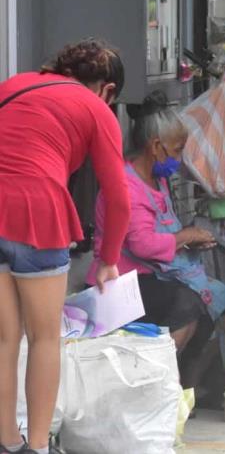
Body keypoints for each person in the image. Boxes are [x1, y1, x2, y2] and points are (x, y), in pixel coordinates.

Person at [0, 39, 131, 454]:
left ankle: (6, 441)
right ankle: (38, 447)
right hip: (38, 213)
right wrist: (109, 259)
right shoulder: (95, 109)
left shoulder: (11, 85)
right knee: (44, 339)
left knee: (4, 338)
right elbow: (119, 197)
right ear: (107, 89)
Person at [87, 91, 225, 383]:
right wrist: (185, 235)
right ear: (156, 146)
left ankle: (184, 383)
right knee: (187, 303)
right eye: (177, 150)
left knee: (212, 298)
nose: (179, 159)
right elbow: (142, 244)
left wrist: (188, 240)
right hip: (120, 281)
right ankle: (152, 382)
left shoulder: (159, 180)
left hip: (152, 275)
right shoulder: (127, 185)